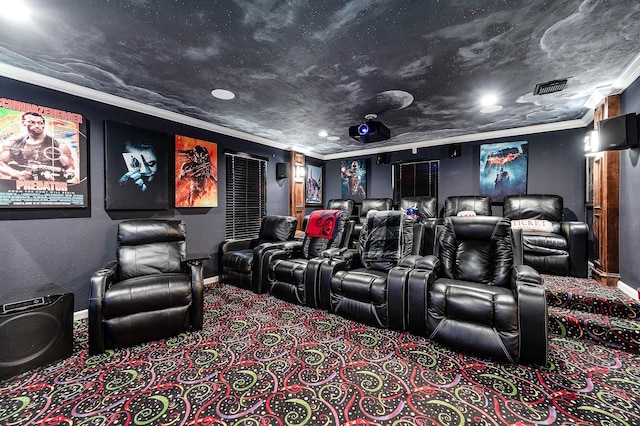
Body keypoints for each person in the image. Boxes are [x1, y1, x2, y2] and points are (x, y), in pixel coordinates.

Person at [0, 112, 76, 181]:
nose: (37, 126)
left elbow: (70, 170)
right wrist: (15, 173)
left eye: (40, 123)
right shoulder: (13, 144)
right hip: (22, 187)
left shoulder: (59, 146)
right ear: (23, 123)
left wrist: (56, 177)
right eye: (32, 122)